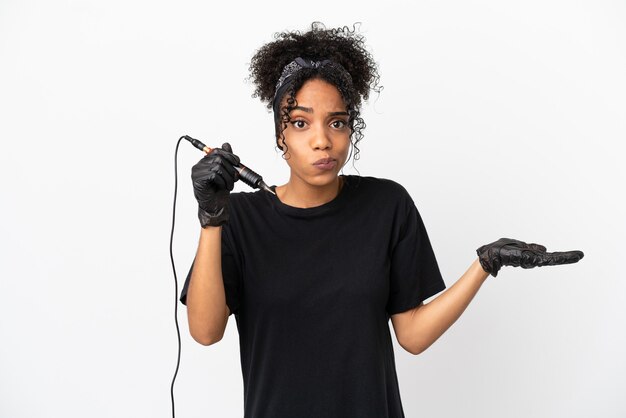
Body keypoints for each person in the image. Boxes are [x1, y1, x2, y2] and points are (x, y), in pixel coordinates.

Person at [179, 22, 584, 418]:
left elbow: (412, 334)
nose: (323, 140)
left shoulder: (386, 205)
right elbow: (205, 331)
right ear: (280, 135)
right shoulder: (240, 219)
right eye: (301, 123)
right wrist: (212, 219)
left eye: (337, 122)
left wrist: (485, 264)